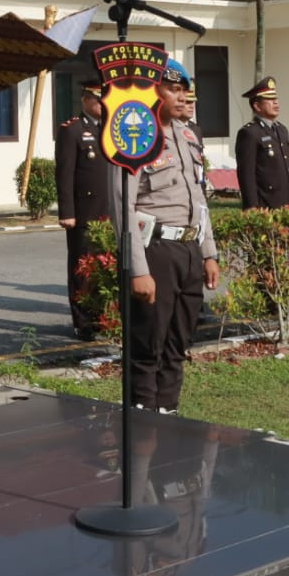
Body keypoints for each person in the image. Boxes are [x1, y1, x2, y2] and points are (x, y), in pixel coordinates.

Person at [109, 66, 221, 414]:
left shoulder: (187, 137)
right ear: (152, 92)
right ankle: (142, 428)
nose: (183, 96)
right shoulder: (133, 137)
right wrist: (137, 269)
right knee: (147, 345)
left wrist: (208, 253)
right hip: (155, 250)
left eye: (184, 90)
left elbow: (199, 200)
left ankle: (169, 417)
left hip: (188, 249)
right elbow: (121, 205)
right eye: (173, 89)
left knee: (178, 345)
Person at [56, 82, 110, 341]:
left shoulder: (112, 129)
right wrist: (67, 211)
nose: (104, 105)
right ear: (86, 100)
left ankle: (103, 316)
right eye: (99, 100)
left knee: (106, 266)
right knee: (83, 267)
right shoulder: (73, 130)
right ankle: (83, 321)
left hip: (110, 210)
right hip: (85, 211)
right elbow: (64, 174)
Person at [234, 76, 289, 209]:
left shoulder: (282, 129)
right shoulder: (250, 133)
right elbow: (246, 174)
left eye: (276, 99)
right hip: (265, 204)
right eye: (269, 100)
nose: (276, 103)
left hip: (287, 202)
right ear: (257, 106)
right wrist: (251, 206)